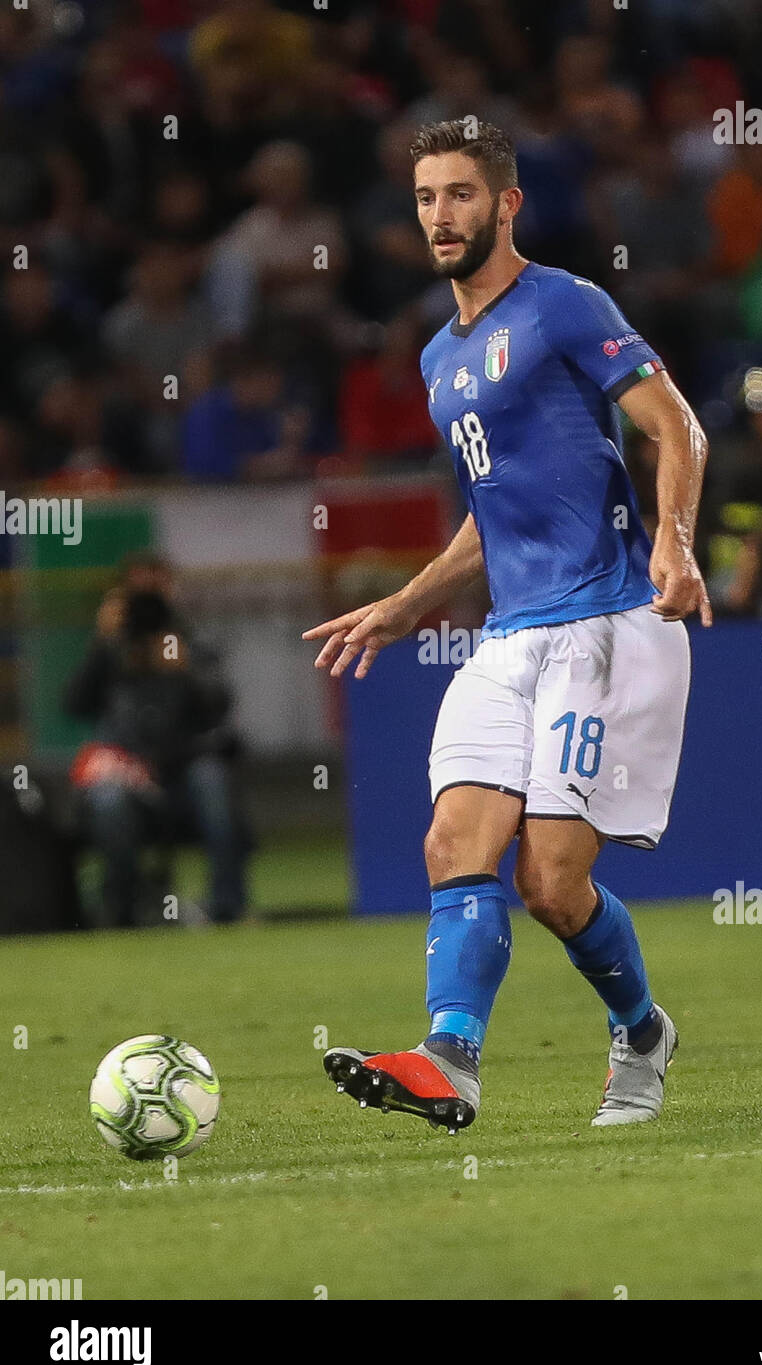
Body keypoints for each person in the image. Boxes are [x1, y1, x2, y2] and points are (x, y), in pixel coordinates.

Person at [305, 120, 711, 1134]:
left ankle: (641, 1027)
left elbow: (676, 426)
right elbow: (496, 515)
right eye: (425, 199)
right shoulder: (439, 358)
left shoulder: (565, 305)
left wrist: (675, 541)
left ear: (505, 203)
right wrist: (408, 601)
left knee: (550, 880)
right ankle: (450, 1056)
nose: (440, 215)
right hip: (508, 637)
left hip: (609, 620)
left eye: (458, 195)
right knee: (454, 840)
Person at [64, 552, 250, 925]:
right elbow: (74, 704)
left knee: (212, 781)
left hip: (184, 768)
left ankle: (227, 906)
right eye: (139, 587)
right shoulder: (110, 649)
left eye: (157, 584)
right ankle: (120, 906)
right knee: (108, 799)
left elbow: (221, 706)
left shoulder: (190, 642)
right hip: (129, 770)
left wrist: (186, 672)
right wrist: (103, 643)